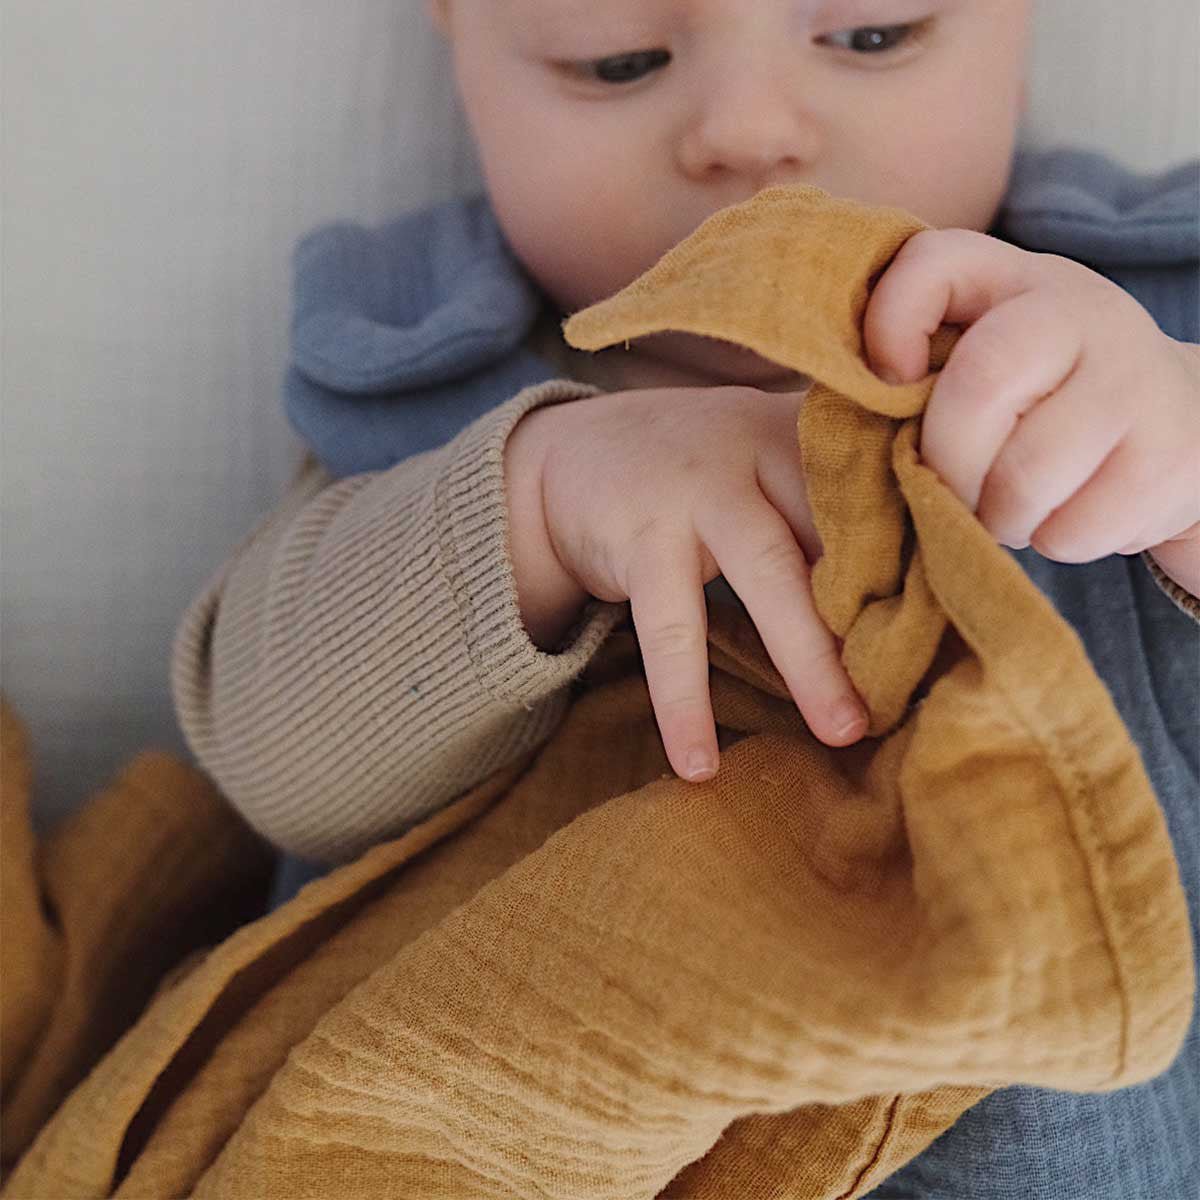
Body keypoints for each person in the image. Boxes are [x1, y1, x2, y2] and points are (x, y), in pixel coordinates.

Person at [170, 1, 1199, 1194]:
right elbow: (266, 759)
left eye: (873, 35)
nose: (751, 133)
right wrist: (541, 505)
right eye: (618, 61)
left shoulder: (1143, 345)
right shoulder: (430, 386)